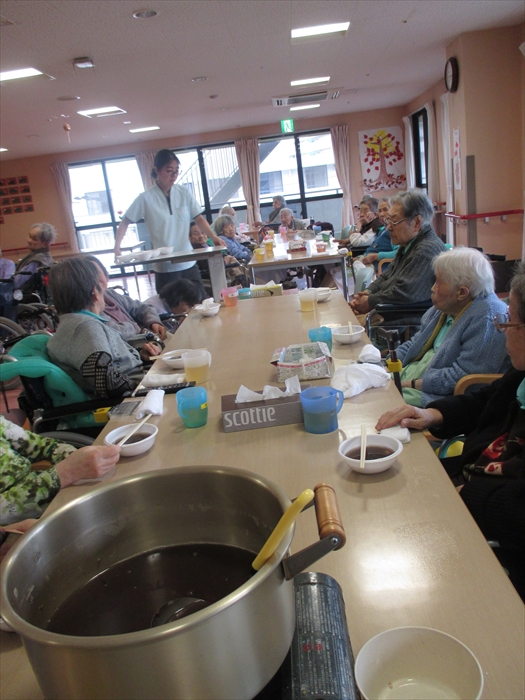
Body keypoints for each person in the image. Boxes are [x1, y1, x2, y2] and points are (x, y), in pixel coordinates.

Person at [376, 261, 525, 600]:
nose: (503, 330)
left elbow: (517, 510)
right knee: (392, 489)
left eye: (511, 322)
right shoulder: (520, 375)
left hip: (496, 525)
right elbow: (485, 400)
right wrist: (433, 414)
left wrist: (461, 495)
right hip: (473, 481)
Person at [394, 247, 510, 406]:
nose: (432, 288)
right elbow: (415, 343)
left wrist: (410, 384)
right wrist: (386, 364)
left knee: (379, 402)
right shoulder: (446, 307)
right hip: (410, 377)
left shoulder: (488, 319)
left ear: (462, 292)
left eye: (438, 282)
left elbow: (464, 377)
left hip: (439, 395)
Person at [113, 149, 222, 294]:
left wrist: (214, 237)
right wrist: (117, 246)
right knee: (171, 305)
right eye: (169, 171)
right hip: (165, 266)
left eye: (176, 171)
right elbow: (125, 221)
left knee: (201, 301)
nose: (174, 175)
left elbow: (199, 218)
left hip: (188, 261)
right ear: (156, 170)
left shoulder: (183, 192)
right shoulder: (146, 198)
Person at [47, 257, 145, 398]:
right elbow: (108, 384)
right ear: (94, 293)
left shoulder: (72, 323)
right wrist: (149, 386)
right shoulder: (86, 328)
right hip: (133, 397)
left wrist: (139, 354)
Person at [0, 414, 120, 525]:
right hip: (21, 526)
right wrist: (64, 473)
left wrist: (74, 457)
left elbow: (43, 445)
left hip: (54, 494)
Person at [351, 189, 446, 316]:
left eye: (394, 222)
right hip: (389, 309)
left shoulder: (426, 249)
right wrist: (368, 292)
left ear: (417, 223)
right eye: (389, 221)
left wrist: (370, 301)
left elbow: (404, 292)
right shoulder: (409, 243)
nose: (389, 227)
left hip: (406, 317)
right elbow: (387, 275)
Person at [84, 256, 167, 352]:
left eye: (97, 274)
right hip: (134, 350)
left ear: (106, 277)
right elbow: (115, 333)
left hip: (149, 340)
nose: (94, 280)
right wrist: (134, 326)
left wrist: (153, 322)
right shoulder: (91, 308)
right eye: (88, 277)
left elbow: (142, 307)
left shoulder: (110, 294)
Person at [13, 222, 56, 294]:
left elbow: (17, 282)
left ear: (45, 244)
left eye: (34, 239)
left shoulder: (37, 260)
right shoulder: (45, 257)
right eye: (29, 236)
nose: (29, 240)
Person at [361, 197, 397, 270]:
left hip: (378, 270)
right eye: (379, 211)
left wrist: (376, 256)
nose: (381, 214)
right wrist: (360, 257)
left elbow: (398, 253)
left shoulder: (394, 231)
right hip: (367, 265)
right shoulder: (382, 230)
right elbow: (373, 248)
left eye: (385, 210)